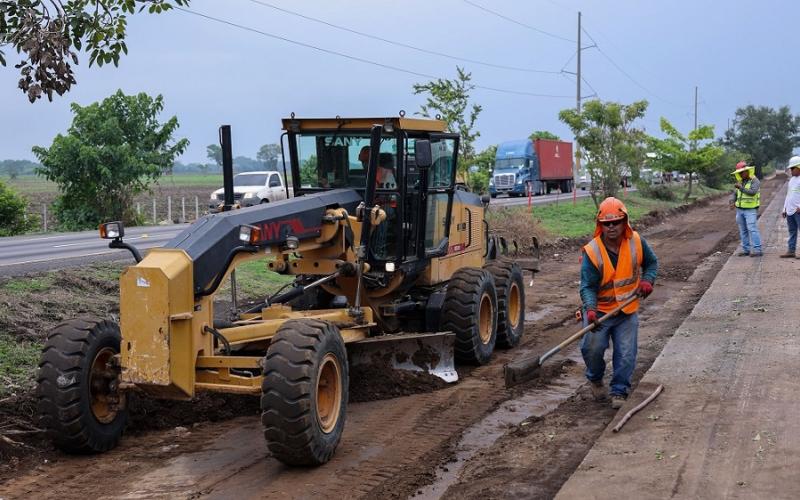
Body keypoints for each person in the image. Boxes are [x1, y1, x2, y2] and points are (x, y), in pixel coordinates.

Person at [580, 197, 658, 409]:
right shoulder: (592, 251)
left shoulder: (636, 241)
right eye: (607, 223)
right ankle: (595, 379)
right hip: (600, 313)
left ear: (625, 221)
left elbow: (652, 263)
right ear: (600, 225)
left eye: (616, 221)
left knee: (626, 353)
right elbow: (587, 286)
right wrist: (591, 309)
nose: (611, 226)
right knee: (592, 350)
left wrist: (647, 280)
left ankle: (619, 391)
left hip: (626, 311)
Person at [730, 161, 762, 257]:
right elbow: (734, 194)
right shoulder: (740, 182)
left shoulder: (755, 181)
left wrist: (741, 188)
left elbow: (752, 192)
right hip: (740, 210)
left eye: (742, 172)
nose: (741, 174)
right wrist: (731, 201)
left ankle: (757, 250)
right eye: (739, 173)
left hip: (750, 210)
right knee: (743, 230)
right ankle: (746, 250)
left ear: (747, 171)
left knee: (752, 229)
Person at [780, 156, 800, 258]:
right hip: (790, 211)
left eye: (792, 168)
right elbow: (788, 195)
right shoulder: (792, 180)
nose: (791, 171)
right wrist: (784, 209)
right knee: (792, 231)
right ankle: (791, 250)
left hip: (798, 211)